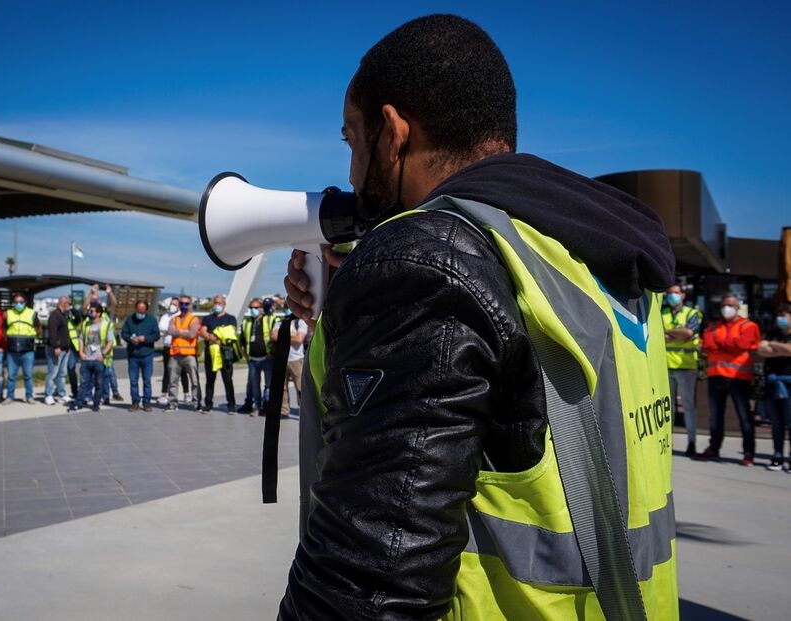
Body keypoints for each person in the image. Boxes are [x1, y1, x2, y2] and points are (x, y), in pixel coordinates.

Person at [281, 15, 678, 619]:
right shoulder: (583, 257)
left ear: (393, 132)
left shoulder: (427, 261)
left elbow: (371, 579)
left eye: (351, 140)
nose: (350, 170)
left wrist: (384, 279)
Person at [699, 294, 761, 465]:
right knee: (715, 417)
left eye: (731, 305)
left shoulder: (749, 326)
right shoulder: (712, 325)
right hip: (716, 376)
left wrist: (720, 343)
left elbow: (742, 345)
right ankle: (714, 448)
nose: (727, 308)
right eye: (725, 304)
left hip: (738, 378)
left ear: (737, 307)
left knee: (744, 416)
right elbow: (706, 346)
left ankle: (748, 453)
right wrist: (729, 344)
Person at [662, 283, 703, 457]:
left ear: (683, 295)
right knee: (667, 409)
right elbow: (657, 334)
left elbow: (688, 333)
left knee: (688, 406)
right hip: (664, 366)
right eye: (670, 293)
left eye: (676, 292)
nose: (673, 295)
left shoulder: (692, 313)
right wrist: (679, 334)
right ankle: (667, 444)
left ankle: (691, 443)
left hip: (686, 367)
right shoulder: (660, 312)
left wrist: (668, 333)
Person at [757, 303, 791, 471]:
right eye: (779, 316)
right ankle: (777, 454)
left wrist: (773, 346)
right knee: (776, 423)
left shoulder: (773, 338)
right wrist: (783, 349)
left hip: (789, 383)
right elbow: (761, 349)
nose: (781, 320)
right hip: (772, 382)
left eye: (784, 316)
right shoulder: (772, 332)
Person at [69, 301, 114, 412]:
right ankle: (78, 403)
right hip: (86, 358)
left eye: (92, 311)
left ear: (98, 313)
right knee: (84, 383)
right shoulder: (86, 324)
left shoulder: (106, 324)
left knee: (99, 383)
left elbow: (110, 341)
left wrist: (103, 354)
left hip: (98, 359)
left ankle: (96, 404)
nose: (89, 312)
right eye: (89, 310)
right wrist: (81, 352)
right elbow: (81, 338)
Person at [199, 295, 239, 415]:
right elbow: (203, 331)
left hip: (225, 354)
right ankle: (208, 405)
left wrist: (213, 336)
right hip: (211, 354)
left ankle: (231, 405)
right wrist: (214, 336)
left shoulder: (230, 318)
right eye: (216, 303)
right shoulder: (207, 318)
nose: (217, 305)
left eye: (220, 303)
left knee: (228, 380)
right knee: (210, 380)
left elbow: (231, 332)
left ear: (224, 304)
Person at [237, 298, 276, 416]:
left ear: (261, 308)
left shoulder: (270, 319)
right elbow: (242, 341)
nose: (253, 310)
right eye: (251, 308)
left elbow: (275, 338)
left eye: (255, 308)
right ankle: (256, 406)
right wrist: (246, 355)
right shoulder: (247, 322)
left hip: (267, 359)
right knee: (254, 384)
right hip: (253, 359)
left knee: (269, 384)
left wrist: (272, 352)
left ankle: (267, 406)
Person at [121, 300, 160, 412]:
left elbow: (156, 335)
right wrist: (130, 339)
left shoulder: (152, 320)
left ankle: (146, 402)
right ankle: (135, 402)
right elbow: (124, 333)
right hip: (133, 355)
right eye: (138, 311)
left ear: (146, 310)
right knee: (133, 381)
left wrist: (146, 339)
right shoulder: (130, 319)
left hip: (147, 354)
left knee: (146, 380)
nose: (140, 313)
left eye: (142, 311)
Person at [164, 295, 202, 412]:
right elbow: (170, 331)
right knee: (172, 381)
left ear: (190, 305)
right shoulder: (173, 319)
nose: (184, 305)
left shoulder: (194, 319)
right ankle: (172, 403)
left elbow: (192, 334)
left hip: (189, 354)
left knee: (194, 381)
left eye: (187, 303)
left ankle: (196, 403)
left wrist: (178, 332)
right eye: (182, 303)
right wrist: (184, 331)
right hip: (175, 354)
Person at [4, 293, 41, 404]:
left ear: (25, 303)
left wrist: (32, 337)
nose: (18, 304)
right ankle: (9, 397)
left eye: (21, 302)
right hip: (12, 350)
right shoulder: (8, 314)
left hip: (27, 350)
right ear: (13, 303)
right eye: (16, 302)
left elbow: (38, 328)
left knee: (28, 375)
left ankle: (29, 397)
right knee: (11, 376)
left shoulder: (32, 313)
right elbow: (3, 329)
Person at [272, 309, 307, 418]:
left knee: (300, 386)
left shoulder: (300, 322)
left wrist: (283, 336)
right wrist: (292, 336)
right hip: (282, 359)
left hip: (296, 359)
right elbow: (273, 336)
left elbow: (299, 339)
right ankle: (284, 410)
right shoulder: (280, 322)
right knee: (282, 387)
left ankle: (304, 410)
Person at [158, 297, 191, 404]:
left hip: (179, 347)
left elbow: (183, 330)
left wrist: (174, 330)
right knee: (167, 371)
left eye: (175, 304)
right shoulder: (165, 316)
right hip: (168, 347)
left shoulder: (181, 316)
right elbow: (162, 327)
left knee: (182, 372)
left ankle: (186, 394)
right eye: (171, 304)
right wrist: (174, 329)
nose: (172, 306)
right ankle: (164, 394)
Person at [44, 296, 72, 405]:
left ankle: (61, 394)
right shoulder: (55, 315)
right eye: (69, 304)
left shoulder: (63, 315)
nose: (70, 306)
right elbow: (53, 332)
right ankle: (48, 395)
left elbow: (65, 333)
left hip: (64, 350)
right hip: (56, 349)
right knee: (53, 373)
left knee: (62, 373)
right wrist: (55, 346)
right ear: (64, 303)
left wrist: (68, 347)